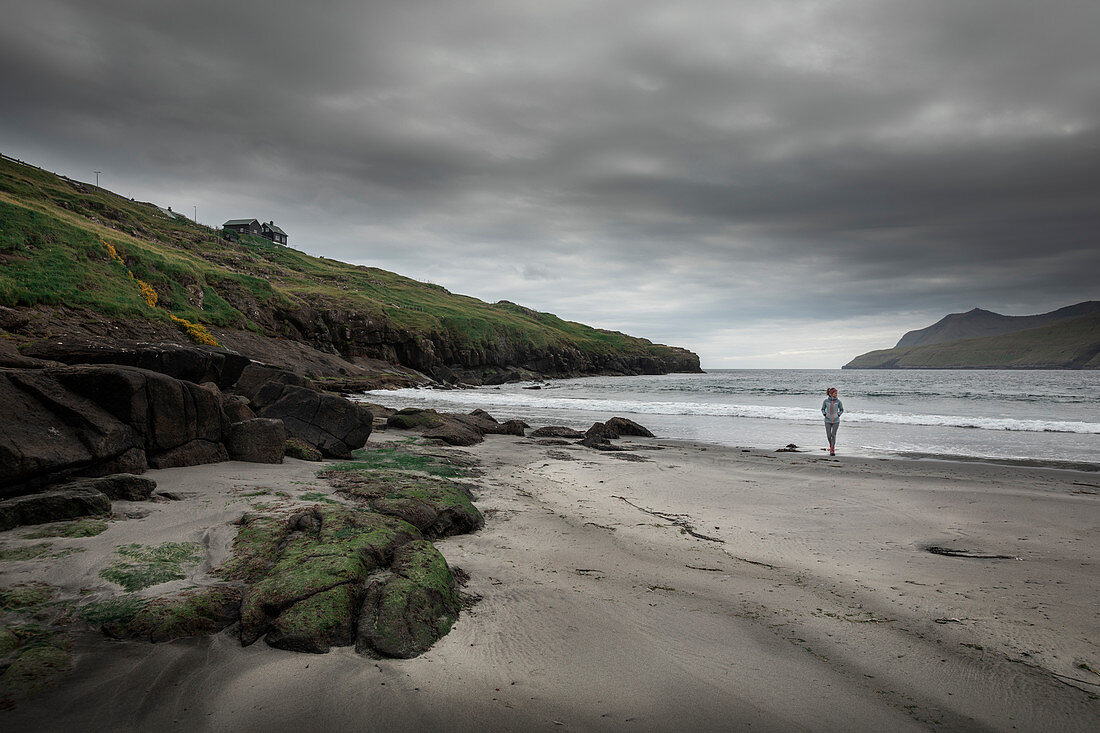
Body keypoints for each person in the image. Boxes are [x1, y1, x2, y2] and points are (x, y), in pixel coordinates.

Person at [821, 387, 844, 456]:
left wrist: (838, 415)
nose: (836, 394)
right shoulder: (826, 401)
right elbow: (822, 409)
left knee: (833, 435)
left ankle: (832, 449)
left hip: (836, 421)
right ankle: (831, 446)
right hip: (827, 420)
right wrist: (824, 414)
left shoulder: (838, 401)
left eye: (837, 393)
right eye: (835, 393)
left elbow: (842, 409)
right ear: (831, 394)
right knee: (828, 436)